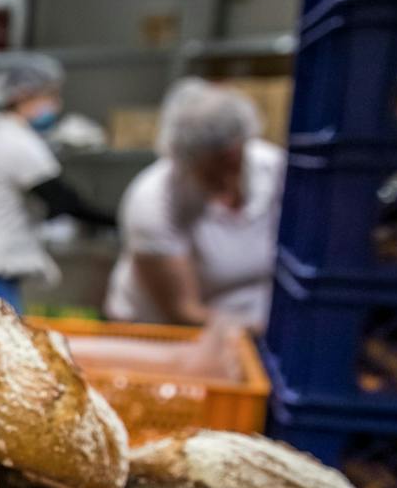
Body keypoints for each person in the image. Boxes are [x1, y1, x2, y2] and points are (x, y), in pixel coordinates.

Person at [105, 79, 284, 330]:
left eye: (232, 161)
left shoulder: (275, 170)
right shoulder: (154, 199)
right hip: (163, 334)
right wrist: (265, 331)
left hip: (248, 329)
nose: (225, 177)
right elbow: (184, 311)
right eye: (211, 168)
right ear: (183, 156)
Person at [0, 55, 115, 309]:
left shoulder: (2, 134)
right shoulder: (17, 142)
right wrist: (118, 222)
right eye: (50, 96)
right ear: (24, 95)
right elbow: (63, 200)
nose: (56, 105)